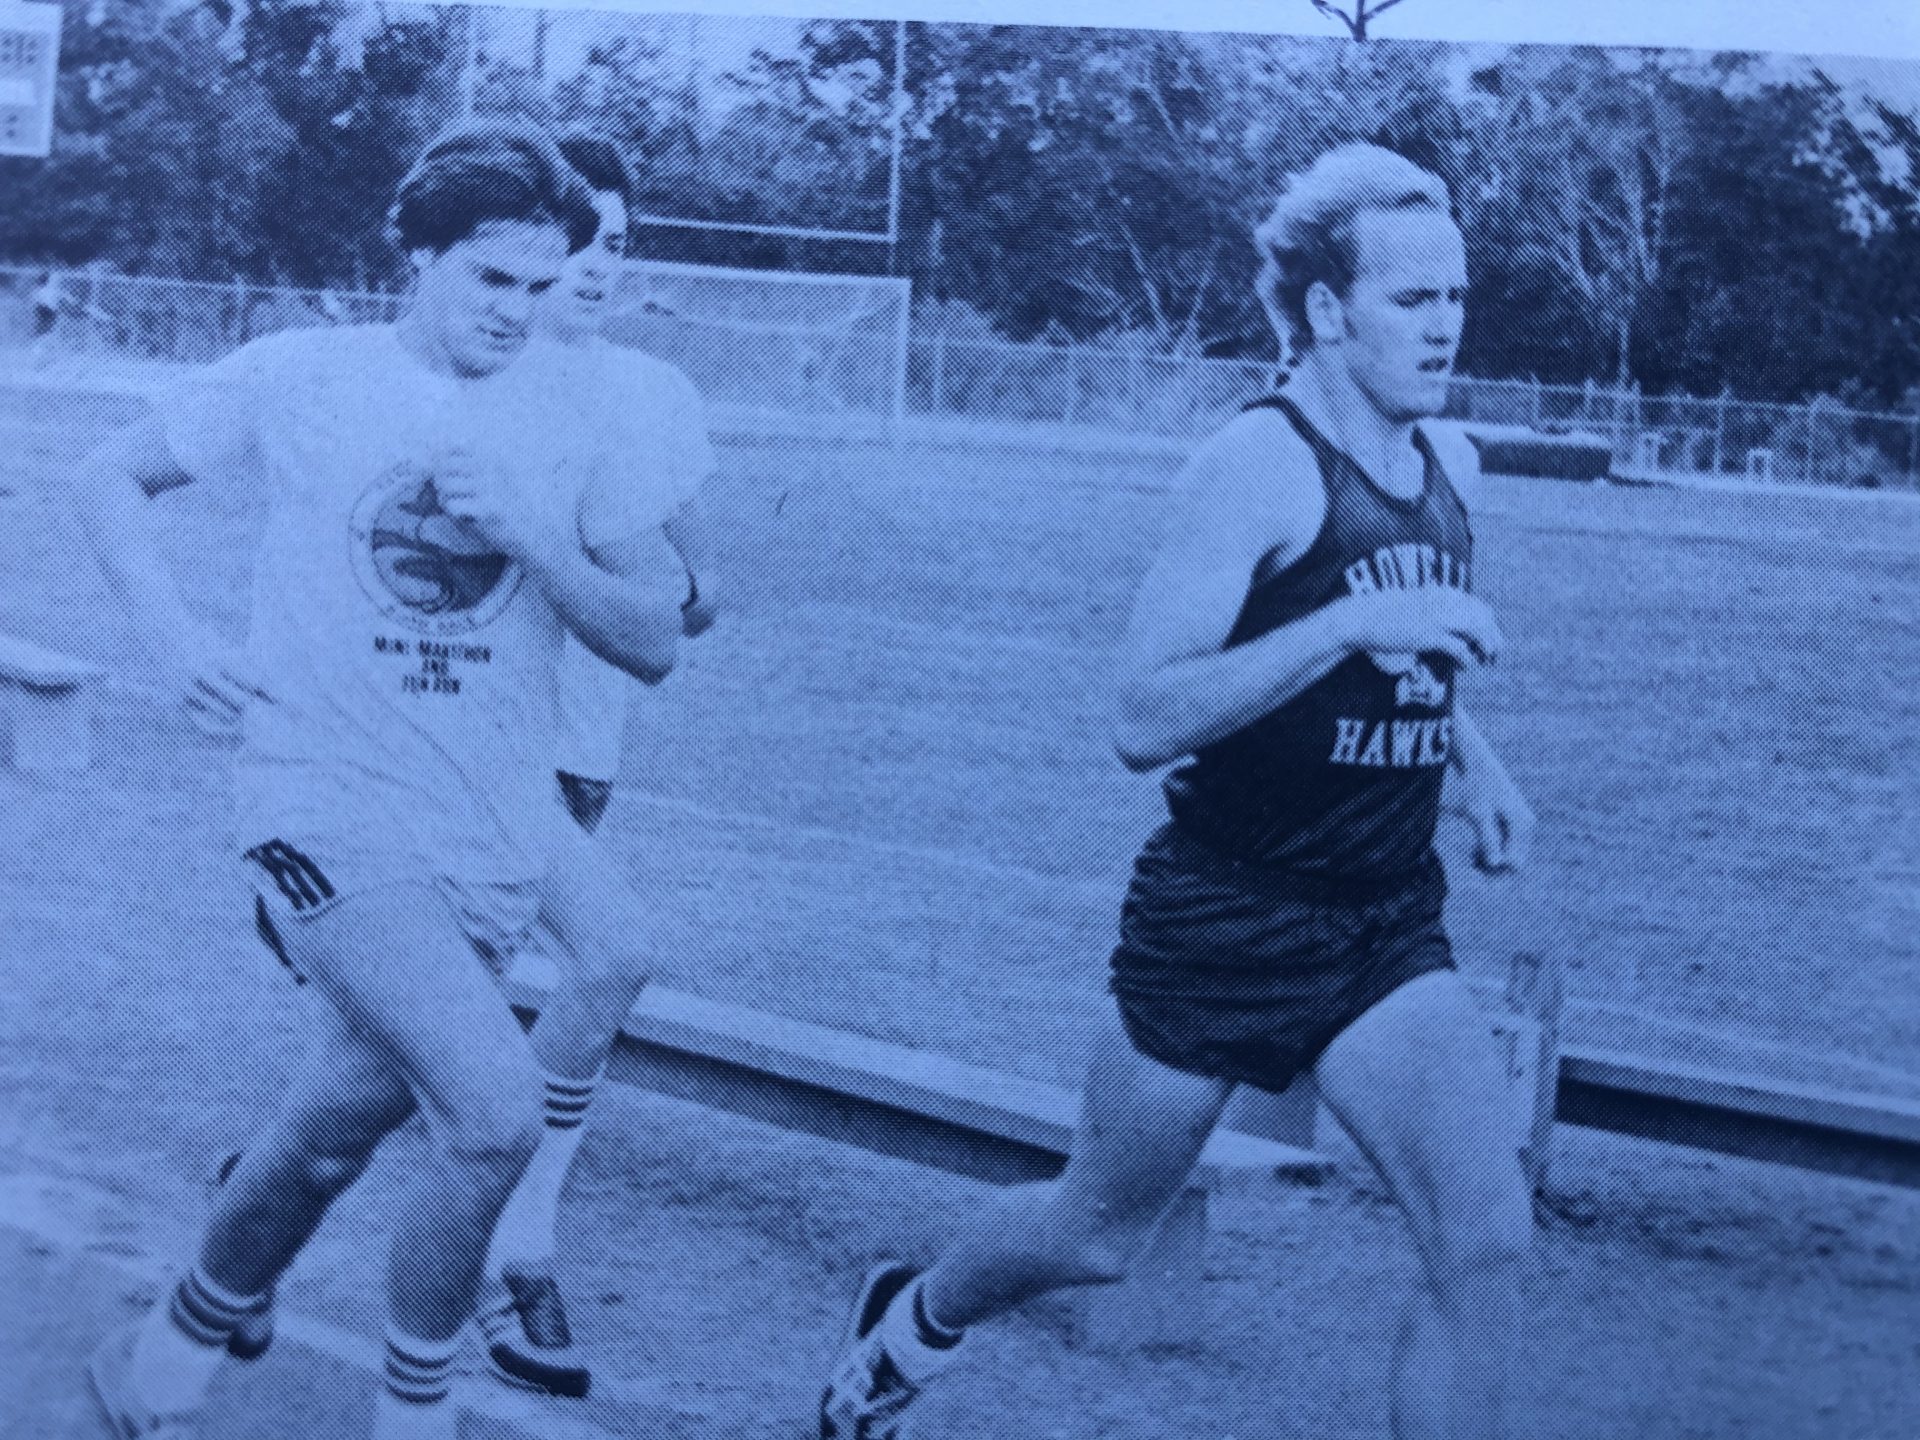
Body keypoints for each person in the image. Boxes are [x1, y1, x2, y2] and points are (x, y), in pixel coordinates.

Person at [818, 143, 1538, 1440]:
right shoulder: (1255, 469)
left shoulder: (1454, 465)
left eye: (1456, 296)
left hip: (1382, 922)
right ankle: (909, 1328)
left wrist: (1472, 762)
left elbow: (1401, 647)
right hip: (1222, 919)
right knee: (1095, 1232)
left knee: (1485, 1245)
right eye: (1412, 299)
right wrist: (1331, 635)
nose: (1446, 326)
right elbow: (1142, 716)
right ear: (1326, 310)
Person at [75, 121, 687, 1440]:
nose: (517, 313)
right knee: (494, 1110)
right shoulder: (306, 375)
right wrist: (178, 641)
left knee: (327, 1134)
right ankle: (416, 1416)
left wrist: (528, 526)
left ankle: (159, 1366)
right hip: (317, 804)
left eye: (539, 285)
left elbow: (654, 636)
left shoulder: (576, 423)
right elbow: (111, 476)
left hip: (488, 835)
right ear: (418, 256)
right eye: (490, 280)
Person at [472, 125, 721, 1399]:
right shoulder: (476, 376)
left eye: (616, 245)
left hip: (583, 746)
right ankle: (523, 1253)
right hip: (468, 746)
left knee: (397, 1039)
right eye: (576, 243)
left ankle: (280, 1172)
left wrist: (685, 577)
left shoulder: (646, 394)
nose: (596, 267)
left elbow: (681, 560)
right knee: (601, 958)